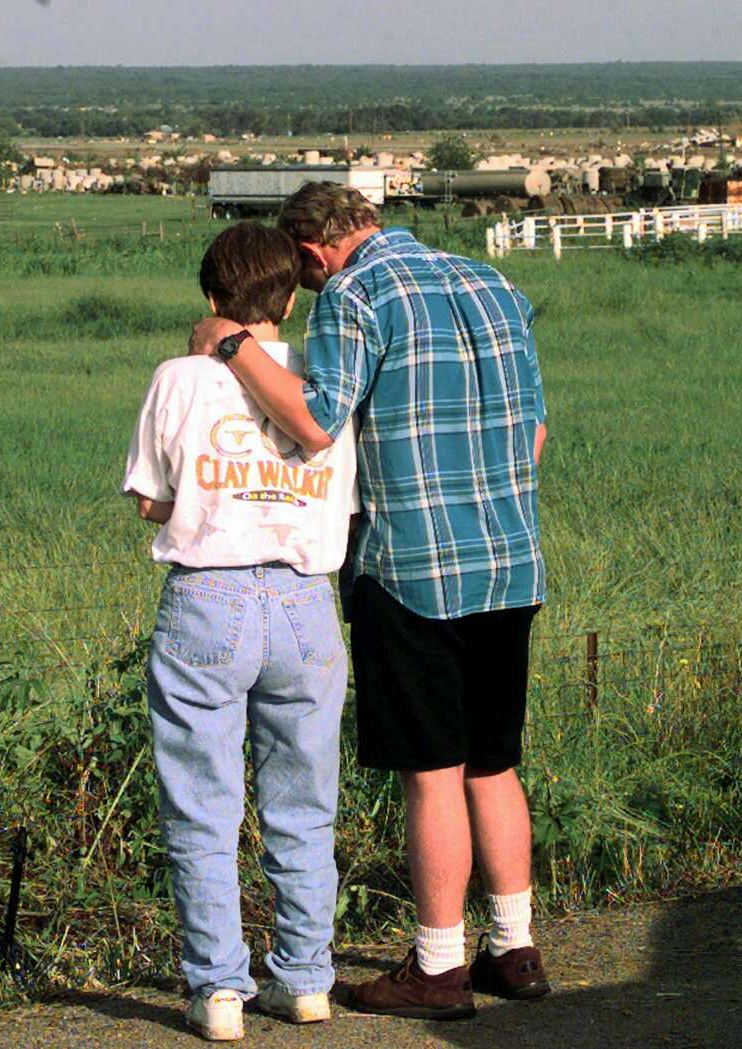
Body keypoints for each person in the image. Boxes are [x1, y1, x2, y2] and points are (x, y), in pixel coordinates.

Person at [190, 183, 549, 1022]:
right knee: (494, 762)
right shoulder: (492, 281)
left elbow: (316, 421)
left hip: (414, 569)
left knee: (434, 771)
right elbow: (533, 431)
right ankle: (516, 948)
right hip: (510, 560)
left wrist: (232, 344)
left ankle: (439, 965)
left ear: (312, 254)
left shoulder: (356, 293)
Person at [123, 221, 358, 1042]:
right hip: (305, 602)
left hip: (207, 598)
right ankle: (305, 978)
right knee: (305, 804)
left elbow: (149, 497)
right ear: (289, 301)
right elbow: (343, 500)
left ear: (210, 296)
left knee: (202, 806)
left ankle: (220, 988)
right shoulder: (325, 380)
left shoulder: (179, 377)